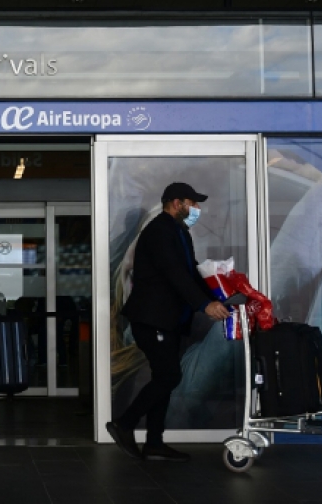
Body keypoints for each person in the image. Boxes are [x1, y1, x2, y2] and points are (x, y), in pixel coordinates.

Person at [106, 182, 230, 461]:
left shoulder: (179, 232)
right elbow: (174, 273)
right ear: (177, 203)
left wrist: (218, 296)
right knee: (170, 376)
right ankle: (124, 424)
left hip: (168, 321)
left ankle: (154, 442)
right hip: (152, 321)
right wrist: (203, 304)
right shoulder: (159, 230)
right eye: (193, 203)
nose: (197, 208)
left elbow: (191, 272)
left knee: (164, 377)